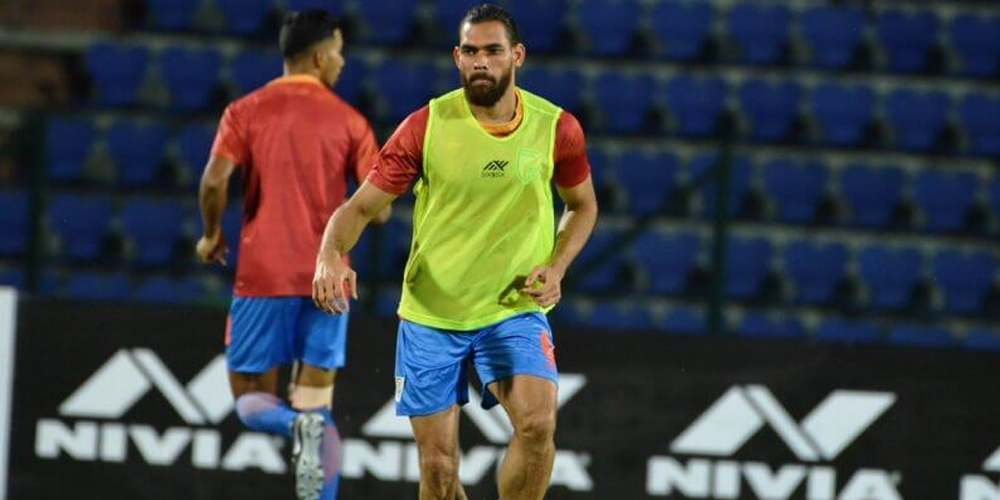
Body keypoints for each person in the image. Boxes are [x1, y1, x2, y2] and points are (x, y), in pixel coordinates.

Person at [312, 4, 599, 499]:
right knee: (439, 470)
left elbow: (582, 205)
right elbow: (359, 208)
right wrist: (330, 254)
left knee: (537, 426)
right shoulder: (426, 126)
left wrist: (556, 266)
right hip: (432, 313)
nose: (480, 61)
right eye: (470, 51)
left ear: (518, 56)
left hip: (512, 307)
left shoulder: (556, 128)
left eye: (493, 51)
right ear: (457, 57)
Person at [196, 9, 388, 500]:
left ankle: (291, 427)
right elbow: (381, 209)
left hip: (264, 276)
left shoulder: (245, 110)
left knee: (251, 402)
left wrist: (212, 235)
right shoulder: (351, 121)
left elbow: (214, 180)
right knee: (315, 408)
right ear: (320, 56)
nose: (342, 61)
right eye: (339, 52)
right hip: (329, 281)